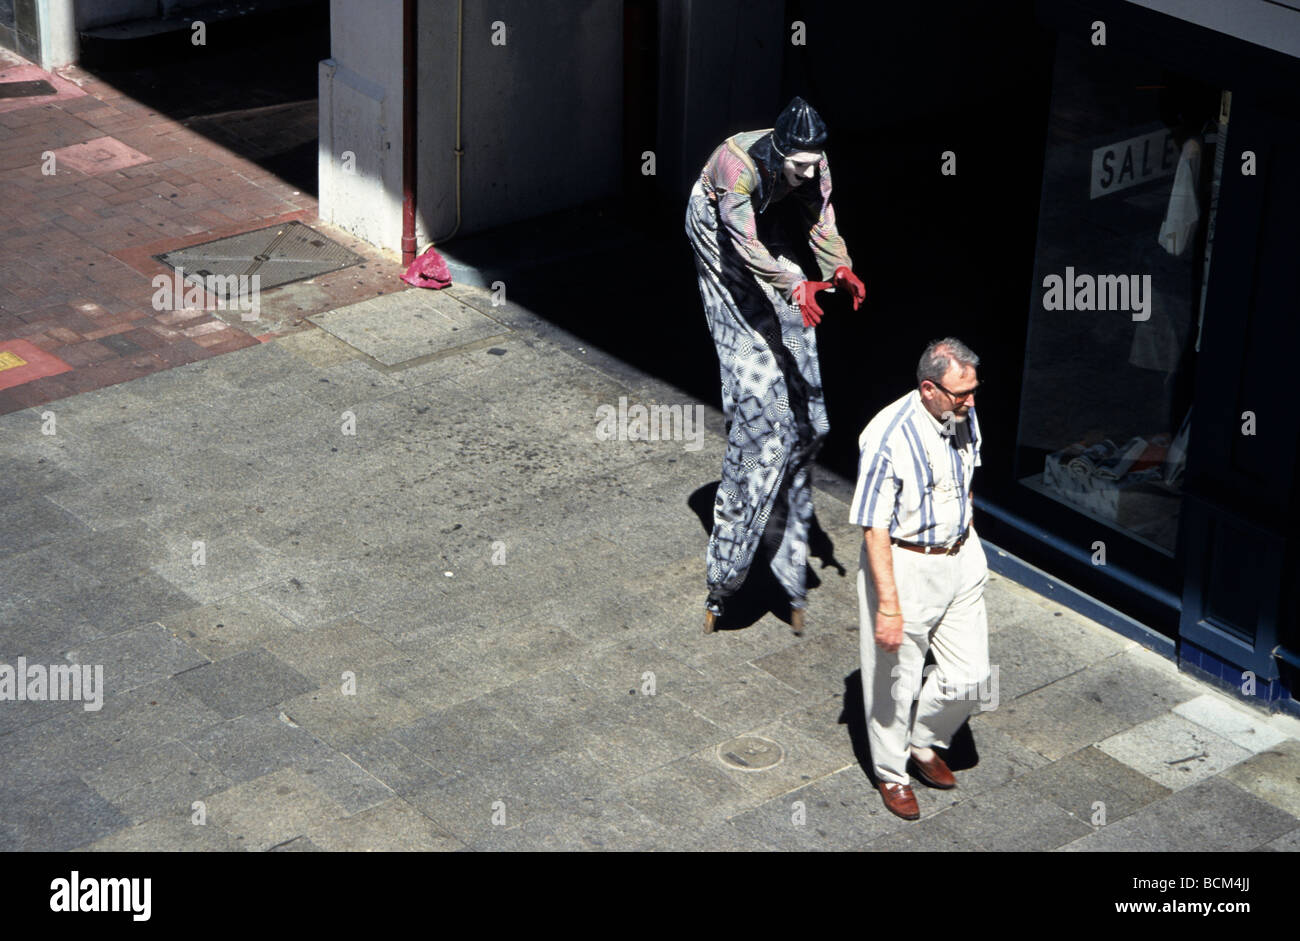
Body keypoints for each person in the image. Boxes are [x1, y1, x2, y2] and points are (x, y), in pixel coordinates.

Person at [685, 96, 866, 636]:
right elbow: (743, 246)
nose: (809, 171)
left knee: (800, 376)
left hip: (764, 226)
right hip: (721, 234)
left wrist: (839, 270)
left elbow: (821, 221)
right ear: (780, 151)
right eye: (800, 165)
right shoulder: (735, 168)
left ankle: (791, 440)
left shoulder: (813, 162)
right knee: (758, 379)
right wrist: (794, 283)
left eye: (815, 163)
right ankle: (730, 568)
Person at [850, 338, 990, 820]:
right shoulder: (887, 436)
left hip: (960, 557)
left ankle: (924, 740)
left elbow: (968, 475)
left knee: (971, 676)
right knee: (894, 682)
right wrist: (887, 605)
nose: (970, 402)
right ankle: (892, 773)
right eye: (959, 393)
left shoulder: (963, 413)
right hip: (905, 566)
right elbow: (874, 526)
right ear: (929, 388)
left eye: (972, 390)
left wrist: (966, 529)